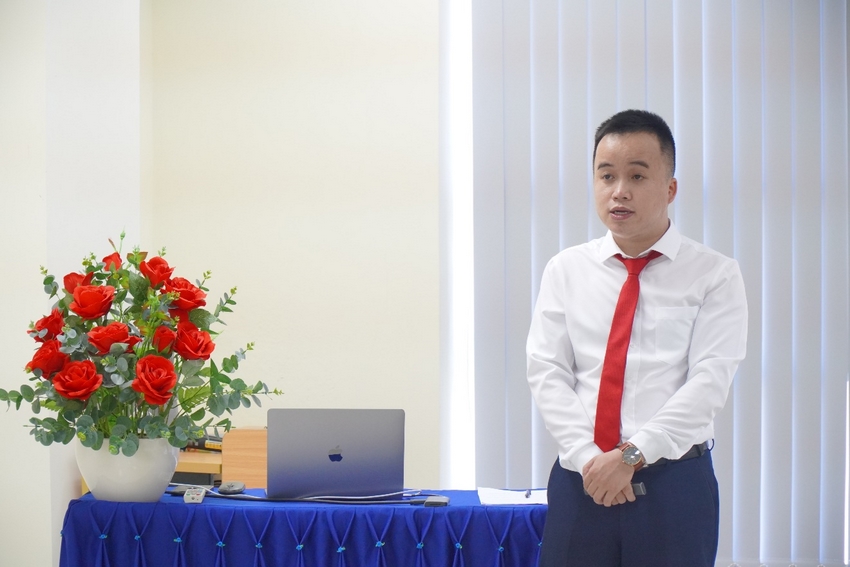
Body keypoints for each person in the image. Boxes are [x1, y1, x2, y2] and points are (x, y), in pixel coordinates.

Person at [526, 109, 747, 566]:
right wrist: (593, 461)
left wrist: (630, 455)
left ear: (670, 188)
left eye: (637, 175)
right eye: (606, 175)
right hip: (581, 481)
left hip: (674, 486)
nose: (619, 190)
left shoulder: (715, 275)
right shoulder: (565, 270)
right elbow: (546, 371)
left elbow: (709, 382)